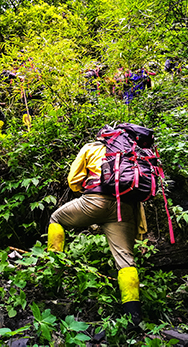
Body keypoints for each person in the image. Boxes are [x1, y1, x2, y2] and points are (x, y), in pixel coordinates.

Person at [46, 128, 147, 328]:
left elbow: (73, 181)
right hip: (124, 208)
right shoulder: (131, 154)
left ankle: (52, 274)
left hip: (95, 200)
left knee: (56, 218)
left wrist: (88, 187)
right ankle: (134, 318)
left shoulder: (91, 148)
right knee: (125, 259)